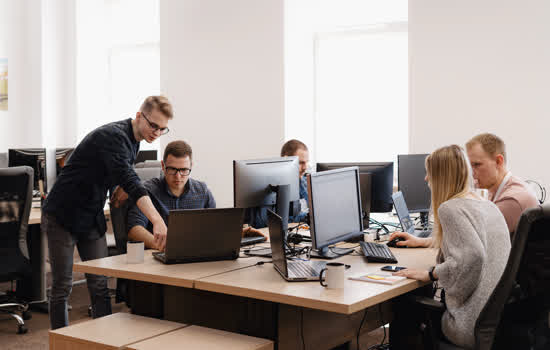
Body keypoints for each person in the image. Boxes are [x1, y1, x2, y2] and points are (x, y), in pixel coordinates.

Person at [41, 96, 173, 329]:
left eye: (163, 129)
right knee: (62, 285)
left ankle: (104, 340)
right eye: (154, 126)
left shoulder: (135, 139)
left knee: (100, 282)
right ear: (139, 116)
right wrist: (157, 220)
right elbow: (131, 180)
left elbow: (116, 171)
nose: (157, 132)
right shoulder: (112, 136)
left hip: (91, 215)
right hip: (63, 213)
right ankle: (59, 340)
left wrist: (119, 185)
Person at [390, 145, 510, 349]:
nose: (426, 179)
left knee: (403, 303)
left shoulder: (450, 208)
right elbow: (475, 245)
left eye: (429, 173)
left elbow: (473, 256)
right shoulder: (486, 205)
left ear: (440, 176)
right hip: (498, 323)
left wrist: (431, 274)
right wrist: (425, 242)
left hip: (469, 326)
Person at [127, 140, 265, 248]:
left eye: (184, 170)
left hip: (194, 256)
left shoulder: (202, 192)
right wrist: (163, 246)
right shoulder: (148, 191)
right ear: (163, 166)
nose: (178, 176)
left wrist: (239, 233)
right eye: (172, 169)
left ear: (191, 166)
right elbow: (135, 230)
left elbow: (214, 229)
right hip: (159, 259)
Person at [466, 133, 538, 234]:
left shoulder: (513, 200)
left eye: (477, 165)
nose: (472, 173)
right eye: (470, 166)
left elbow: (473, 238)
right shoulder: (495, 191)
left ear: (498, 161)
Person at [280, 139, 310, 223]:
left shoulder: (304, 181)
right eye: (301, 163)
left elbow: (313, 209)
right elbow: (281, 219)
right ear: (286, 160)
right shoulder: (275, 187)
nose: (305, 168)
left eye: (306, 162)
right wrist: (308, 216)